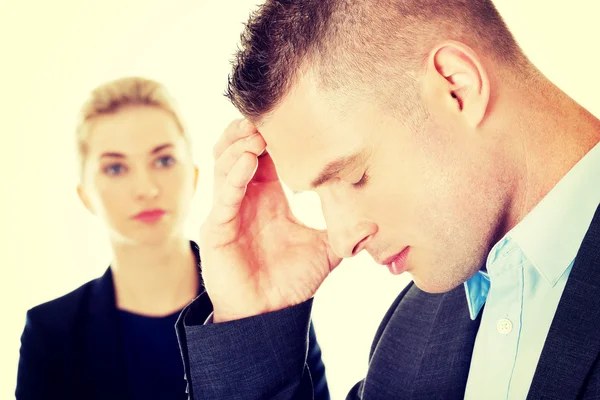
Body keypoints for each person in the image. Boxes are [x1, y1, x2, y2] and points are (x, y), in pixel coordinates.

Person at [172, 0, 600, 399]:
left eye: (355, 176)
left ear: (457, 88)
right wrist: (251, 321)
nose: (341, 241)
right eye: (316, 195)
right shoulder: (410, 333)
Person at [15, 77, 330, 400]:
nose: (147, 189)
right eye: (115, 168)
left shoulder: (263, 299)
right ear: (85, 195)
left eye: (164, 160)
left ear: (192, 176)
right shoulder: (52, 331)